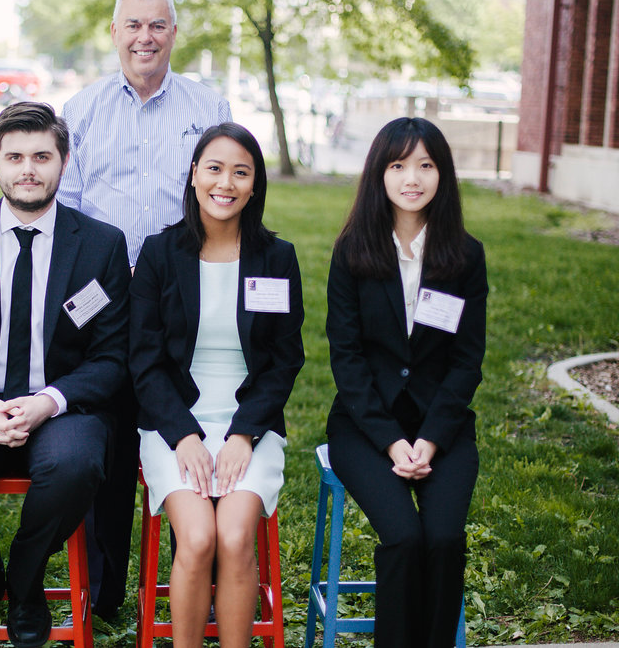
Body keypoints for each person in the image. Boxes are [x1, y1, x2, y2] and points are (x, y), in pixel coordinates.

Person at [0, 102, 130, 648]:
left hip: (63, 405)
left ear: (62, 161)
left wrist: (49, 401)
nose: (27, 168)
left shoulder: (102, 245)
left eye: (41, 156)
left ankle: (27, 582)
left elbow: (111, 357)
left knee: (77, 464)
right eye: (15, 156)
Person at [58, 0, 232, 616]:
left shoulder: (207, 106)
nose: (145, 38)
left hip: (183, 297)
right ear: (114, 33)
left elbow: (225, 200)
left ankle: (212, 580)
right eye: (133, 25)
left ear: (173, 34)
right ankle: (102, 594)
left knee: (195, 427)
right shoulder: (79, 111)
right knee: (105, 439)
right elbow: (68, 215)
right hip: (100, 303)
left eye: (157, 26)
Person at [129, 122, 304, 647]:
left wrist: (243, 434)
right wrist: (183, 435)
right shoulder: (160, 255)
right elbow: (144, 361)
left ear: (254, 185)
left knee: (232, 537)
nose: (225, 182)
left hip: (249, 425)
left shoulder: (277, 258)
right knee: (200, 537)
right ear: (194, 174)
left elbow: (284, 361)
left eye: (240, 172)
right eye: (214, 168)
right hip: (173, 424)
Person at [325, 117, 488, 647]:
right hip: (366, 425)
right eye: (398, 165)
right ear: (380, 173)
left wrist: (430, 439)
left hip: (442, 427)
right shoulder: (352, 251)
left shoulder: (465, 256)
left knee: (442, 539)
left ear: (443, 174)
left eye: (425, 164)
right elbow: (346, 360)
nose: (411, 178)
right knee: (403, 538)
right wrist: (393, 440)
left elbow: (467, 361)